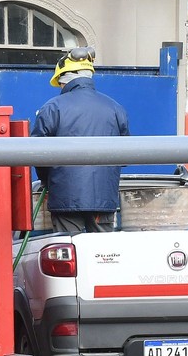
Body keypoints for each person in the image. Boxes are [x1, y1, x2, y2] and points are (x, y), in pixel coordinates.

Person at [30, 48, 130, 233]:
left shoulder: (53, 108)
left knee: (70, 250)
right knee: (103, 255)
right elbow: (124, 157)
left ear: (64, 78)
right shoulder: (116, 108)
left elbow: (38, 154)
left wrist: (46, 180)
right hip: (103, 198)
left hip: (65, 197)